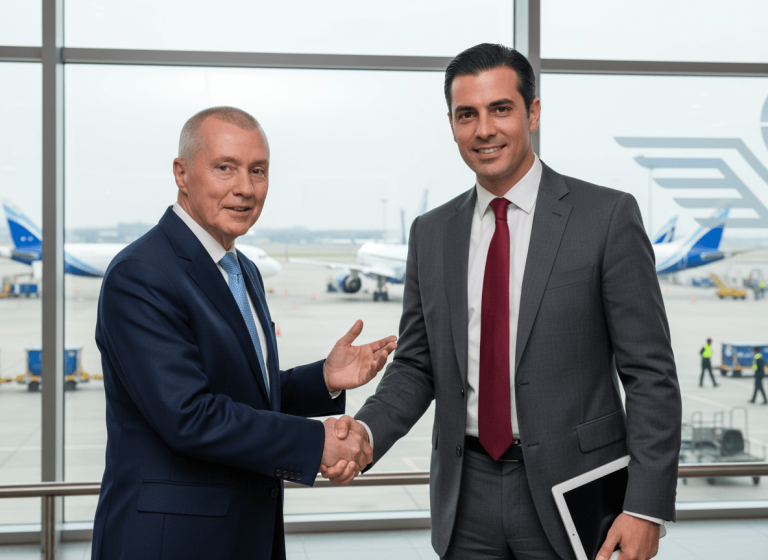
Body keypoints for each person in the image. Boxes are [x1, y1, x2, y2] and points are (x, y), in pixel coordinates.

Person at [325, 44, 682, 560]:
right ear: (451, 124)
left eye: (500, 109)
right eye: (466, 115)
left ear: (532, 113)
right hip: (463, 494)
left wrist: (645, 507)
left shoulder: (605, 217)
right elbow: (418, 365)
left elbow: (651, 375)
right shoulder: (432, 233)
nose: (484, 130)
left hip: (577, 492)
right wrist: (364, 433)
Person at [91, 106, 397, 560]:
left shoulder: (242, 269)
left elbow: (239, 393)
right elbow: (189, 416)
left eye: (258, 171)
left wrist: (324, 379)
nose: (245, 189)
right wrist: (318, 443)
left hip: (245, 532)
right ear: (181, 173)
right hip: (171, 542)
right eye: (224, 168)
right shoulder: (141, 274)